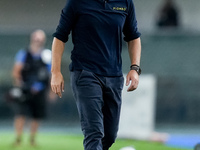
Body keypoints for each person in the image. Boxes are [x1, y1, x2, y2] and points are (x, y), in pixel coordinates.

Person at [51, 0, 141, 149]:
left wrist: (135, 68)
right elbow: (60, 37)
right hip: (85, 73)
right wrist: (55, 72)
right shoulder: (76, 3)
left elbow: (133, 37)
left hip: (114, 76)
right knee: (94, 132)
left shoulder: (125, 3)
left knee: (110, 135)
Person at [12, 29, 51, 146]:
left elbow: (50, 73)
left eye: (40, 39)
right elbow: (16, 71)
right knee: (20, 114)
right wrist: (19, 85)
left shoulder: (47, 55)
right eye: (36, 39)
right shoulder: (24, 54)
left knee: (37, 115)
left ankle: (32, 139)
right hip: (25, 89)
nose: (38, 41)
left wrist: (50, 90)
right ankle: (18, 138)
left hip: (40, 90)